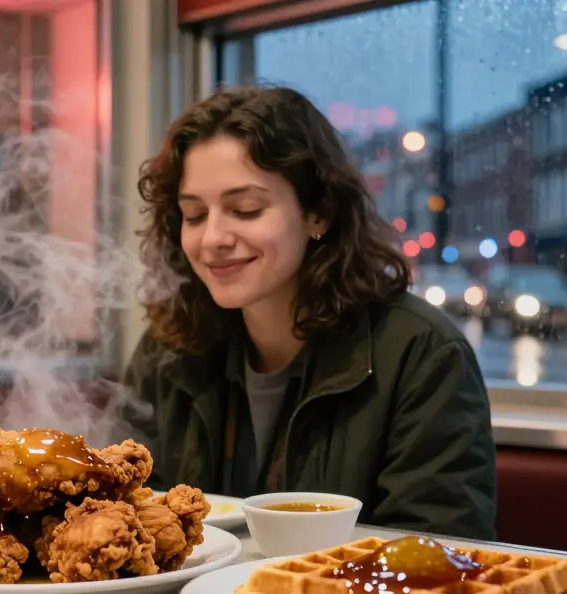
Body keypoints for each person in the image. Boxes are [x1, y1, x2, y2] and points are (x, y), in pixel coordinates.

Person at [123, 86, 497, 539]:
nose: (213, 238)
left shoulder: (422, 353)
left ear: (319, 212)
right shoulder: (168, 347)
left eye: (246, 209)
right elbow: (132, 516)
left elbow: (434, 551)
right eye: (195, 215)